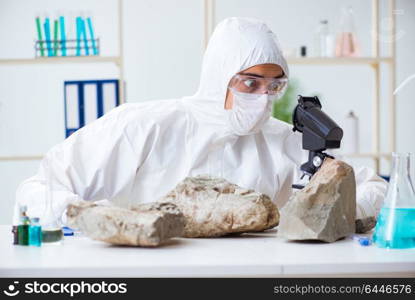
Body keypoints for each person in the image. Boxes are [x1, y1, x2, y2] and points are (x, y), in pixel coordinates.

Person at [13, 17, 386, 224]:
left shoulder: (282, 139)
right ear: (218, 76)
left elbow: (374, 189)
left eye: (274, 86)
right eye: (250, 83)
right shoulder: (144, 126)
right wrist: (86, 215)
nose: (262, 98)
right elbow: (39, 188)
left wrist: (339, 207)